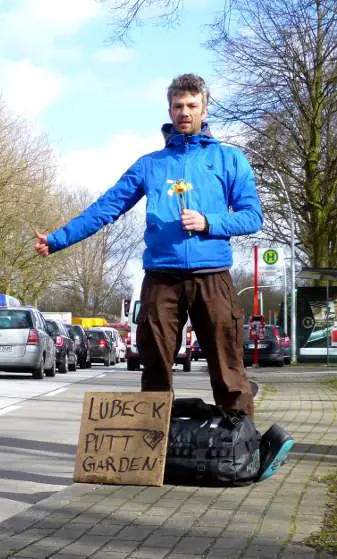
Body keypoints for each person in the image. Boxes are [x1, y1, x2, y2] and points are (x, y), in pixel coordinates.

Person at [34, 74, 293, 481]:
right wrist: (58, 239)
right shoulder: (150, 165)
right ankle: (148, 461)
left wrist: (210, 221)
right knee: (155, 368)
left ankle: (243, 454)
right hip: (161, 278)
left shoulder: (229, 160)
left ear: (204, 109)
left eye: (191, 105)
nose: (184, 112)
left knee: (228, 370)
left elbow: (252, 215)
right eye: (177, 106)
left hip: (213, 277)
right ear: (169, 111)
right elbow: (106, 207)